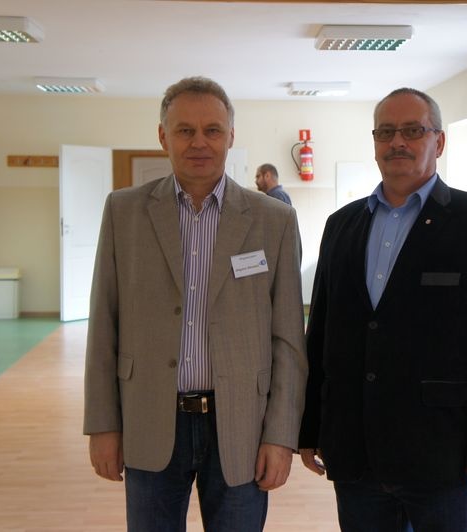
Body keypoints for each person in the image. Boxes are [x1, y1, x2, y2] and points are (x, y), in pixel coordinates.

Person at [83, 76, 307, 532]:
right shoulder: (124, 211)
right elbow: (103, 324)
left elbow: (288, 339)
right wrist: (103, 425)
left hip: (242, 426)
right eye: (185, 130)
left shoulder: (274, 220)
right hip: (150, 417)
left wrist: (282, 436)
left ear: (230, 136)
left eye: (212, 130)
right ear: (163, 136)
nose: (199, 142)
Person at [298, 88, 467, 532]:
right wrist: (310, 428)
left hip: (444, 455)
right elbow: (321, 333)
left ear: (439, 142)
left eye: (412, 131)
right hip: (356, 451)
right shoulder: (342, 225)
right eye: (385, 132)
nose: (397, 142)